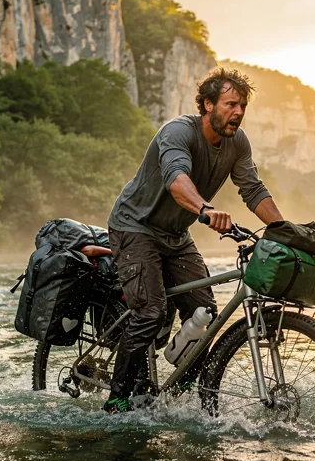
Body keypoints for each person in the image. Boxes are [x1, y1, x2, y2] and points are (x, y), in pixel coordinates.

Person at [103, 67, 285, 413]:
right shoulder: (178, 132)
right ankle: (117, 400)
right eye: (231, 104)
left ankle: (180, 385)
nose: (239, 112)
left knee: (206, 312)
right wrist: (205, 209)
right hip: (135, 227)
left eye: (243, 105)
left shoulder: (237, 142)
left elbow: (253, 189)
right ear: (207, 105)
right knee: (151, 312)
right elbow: (176, 179)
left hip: (174, 235)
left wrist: (284, 230)